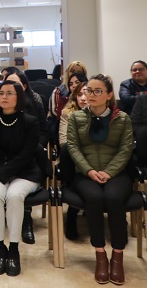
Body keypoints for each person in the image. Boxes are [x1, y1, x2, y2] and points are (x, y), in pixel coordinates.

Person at [66, 74, 134, 284]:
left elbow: (125, 149)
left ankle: (118, 256)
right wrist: (89, 171)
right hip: (85, 174)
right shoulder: (76, 118)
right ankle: (100, 255)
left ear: (109, 95)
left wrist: (109, 172)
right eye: (89, 90)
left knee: (114, 198)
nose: (91, 95)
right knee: (94, 198)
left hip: (116, 174)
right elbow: (73, 147)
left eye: (98, 91)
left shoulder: (122, 118)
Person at [0, 80, 42, 277]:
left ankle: (13, 249)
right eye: (1, 93)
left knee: (14, 196)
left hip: (25, 173)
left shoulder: (30, 122)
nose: (4, 97)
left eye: (9, 93)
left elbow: (26, 156)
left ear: (19, 97)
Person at [57, 77, 88, 241]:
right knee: (66, 151)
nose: (83, 98)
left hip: (97, 159)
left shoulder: (104, 113)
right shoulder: (67, 114)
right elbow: (64, 141)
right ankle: (72, 213)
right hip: (73, 159)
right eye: (79, 94)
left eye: (86, 93)